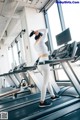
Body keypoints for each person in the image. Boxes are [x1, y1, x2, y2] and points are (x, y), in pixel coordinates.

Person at [29, 29, 56, 107]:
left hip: (40, 63)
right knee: (45, 83)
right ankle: (42, 101)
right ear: (40, 35)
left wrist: (35, 32)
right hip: (44, 62)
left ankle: (53, 96)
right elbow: (46, 30)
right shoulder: (41, 40)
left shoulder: (34, 44)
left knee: (47, 81)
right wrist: (37, 31)